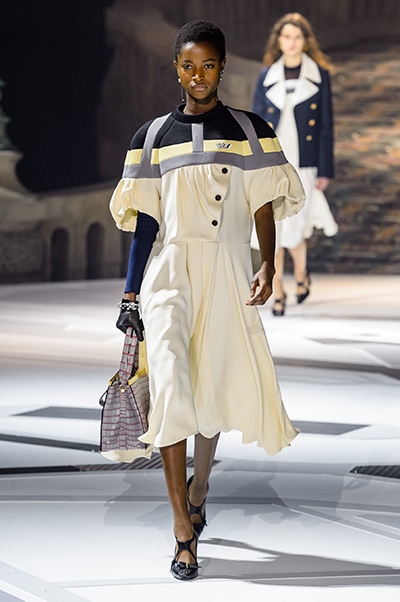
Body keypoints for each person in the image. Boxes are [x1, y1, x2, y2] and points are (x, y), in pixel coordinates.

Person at [110, 20, 305, 581]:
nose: (198, 75)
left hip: (226, 269)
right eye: (188, 65)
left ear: (221, 67)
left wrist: (267, 262)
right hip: (170, 271)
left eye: (209, 65)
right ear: (176, 68)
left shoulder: (249, 130)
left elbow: (263, 203)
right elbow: (146, 224)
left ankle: (199, 489)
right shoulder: (151, 136)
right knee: (172, 388)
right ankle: (182, 530)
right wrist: (130, 293)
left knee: (211, 387)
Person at [252, 12, 338, 316]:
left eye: (297, 37)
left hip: (305, 162)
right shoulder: (266, 76)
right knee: (273, 228)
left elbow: (325, 126)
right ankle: (278, 291)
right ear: (279, 41)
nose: (291, 42)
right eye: (286, 37)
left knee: (297, 226)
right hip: (273, 162)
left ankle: (301, 274)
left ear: (305, 41)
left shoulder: (319, 75)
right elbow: (255, 124)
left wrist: (325, 169)